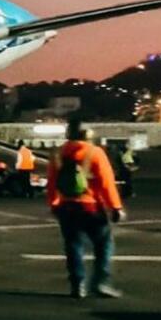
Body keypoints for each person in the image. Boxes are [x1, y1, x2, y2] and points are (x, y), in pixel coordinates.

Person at [49, 120, 125, 298]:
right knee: (104, 244)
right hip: (91, 207)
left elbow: (52, 183)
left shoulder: (58, 153)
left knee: (73, 245)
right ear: (88, 134)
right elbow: (106, 183)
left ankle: (77, 285)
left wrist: (54, 204)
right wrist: (115, 207)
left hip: (67, 206)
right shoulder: (94, 152)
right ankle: (100, 282)